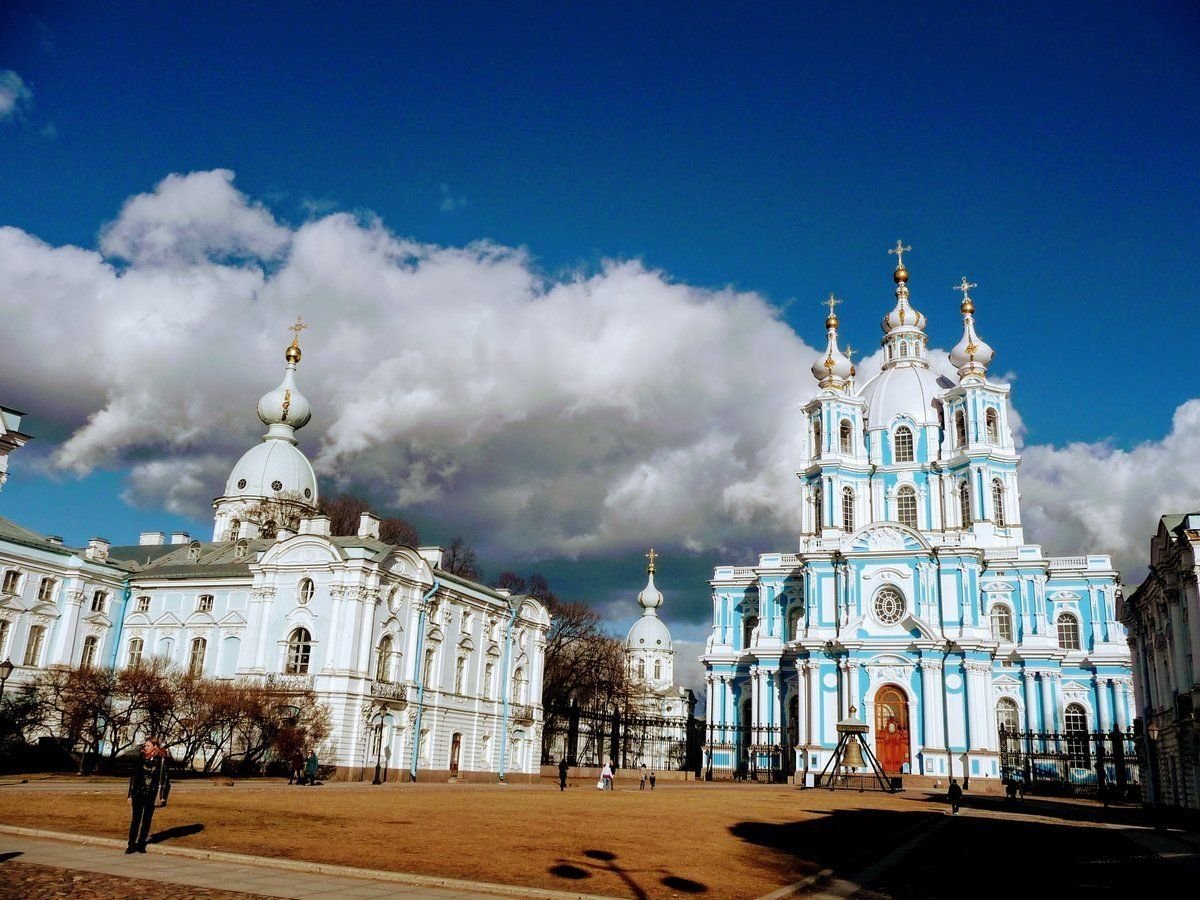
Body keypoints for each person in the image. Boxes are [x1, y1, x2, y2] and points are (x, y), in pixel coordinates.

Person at [127, 738, 170, 854]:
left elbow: (165, 780)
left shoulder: (160, 760)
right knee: (136, 819)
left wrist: (163, 796)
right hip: (138, 793)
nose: (145, 748)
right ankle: (131, 844)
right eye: (144, 746)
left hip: (151, 794)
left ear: (154, 747)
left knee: (146, 819)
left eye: (148, 745)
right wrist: (130, 794)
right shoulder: (140, 759)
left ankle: (141, 843)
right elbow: (134, 778)